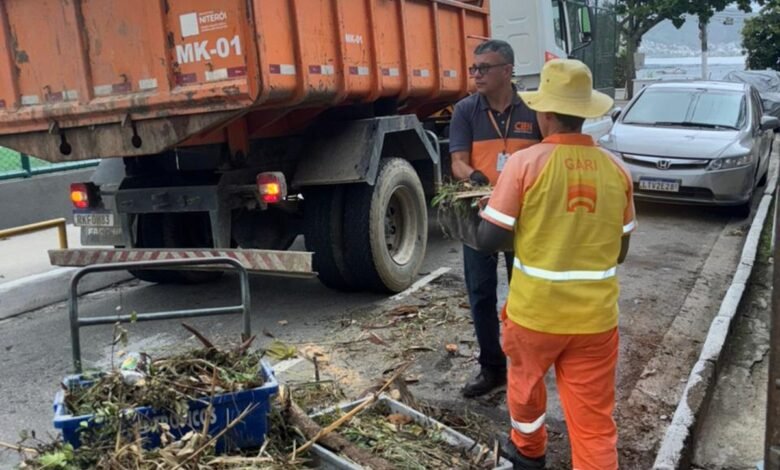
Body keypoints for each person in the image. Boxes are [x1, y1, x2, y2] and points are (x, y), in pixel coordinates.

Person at [476, 59, 636, 470]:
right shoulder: (617, 170)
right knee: (594, 421)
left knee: (526, 393)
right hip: (595, 322)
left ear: (544, 113)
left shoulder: (526, 163)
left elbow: (490, 239)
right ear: (585, 113)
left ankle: (529, 454)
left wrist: (493, 212)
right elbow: (619, 251)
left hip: (535, 317)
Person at [449, 39, 542, 398]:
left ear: (507, 70)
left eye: (484, 68)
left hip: (526, 217)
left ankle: (525, 364)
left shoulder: (534, 109)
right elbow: (458, 160)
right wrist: (475, 178)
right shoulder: (465, 111)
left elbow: (548, 155)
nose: (476, 74)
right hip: (480, 215)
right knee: (481, 293)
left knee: (525, 292)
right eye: (473, 68)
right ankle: (491, 368)